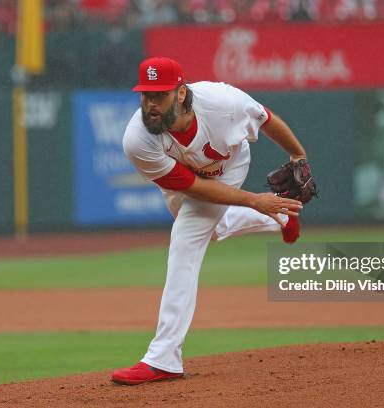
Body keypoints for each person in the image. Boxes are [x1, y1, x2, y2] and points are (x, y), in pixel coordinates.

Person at [112, 56, 308, 385]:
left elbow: (267, 119)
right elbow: (193, 187)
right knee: (212, 230)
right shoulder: (138, 139)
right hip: (187, 177)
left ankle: (164, 358)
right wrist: (256, 202)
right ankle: (279, 217)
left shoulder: (223, 102)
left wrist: (298, 155)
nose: (150, 104)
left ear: (181, 94)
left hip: (229, 165)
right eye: (145, 96)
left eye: (159, 95)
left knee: (187, 239)